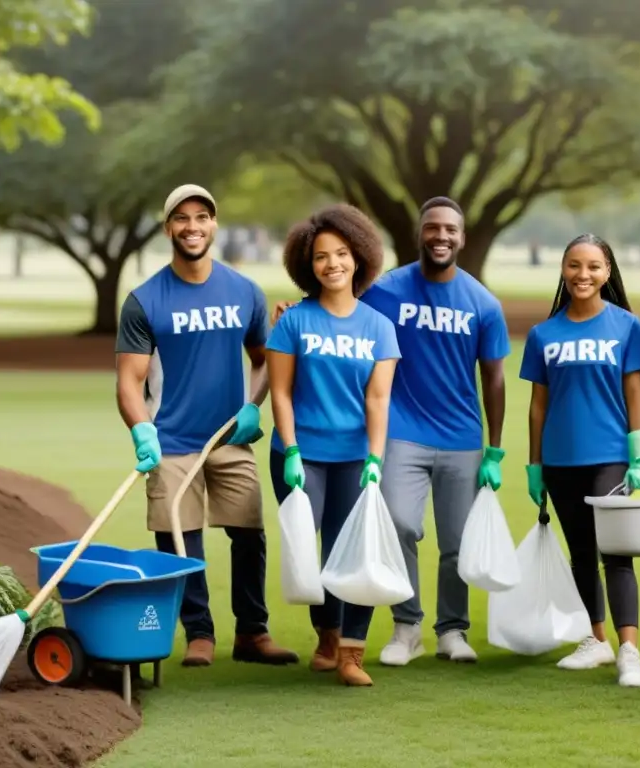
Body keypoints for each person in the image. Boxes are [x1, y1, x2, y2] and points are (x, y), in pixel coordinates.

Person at [273, 196, 511, 666]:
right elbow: (338, 299)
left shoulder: (483, 303)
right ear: (419, 233)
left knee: (456, 542)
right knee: (398, 525)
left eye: (450, 229)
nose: (441, 236)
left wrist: (496, 450)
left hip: (463, 435)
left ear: (462, 237)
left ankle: (452, 630)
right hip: (400, 432)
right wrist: (292, 312)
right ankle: (407, 626)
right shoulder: (386, 290)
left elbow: (496, 377)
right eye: (432, 228)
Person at [115, 184, 298, 668]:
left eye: (202, 217)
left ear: (213, 225)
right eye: (182, 218)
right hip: (171, 441)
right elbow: (130, 381)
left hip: (229, 439)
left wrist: (251, 405)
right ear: (167, 227)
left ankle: (252, 633)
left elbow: (263, 361)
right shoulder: (144, 300)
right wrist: (141, 429)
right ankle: (199, 633)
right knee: (180, 538)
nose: (192, 226)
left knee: (248, 534)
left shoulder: (243, 292)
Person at [266, 204, 401, 687]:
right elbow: (280, 391)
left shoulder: (379, 327)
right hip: (300, 456)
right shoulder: (293, 322)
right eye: (321, 257)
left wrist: (375, 459)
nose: (332, 265)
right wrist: (291, 448)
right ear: (308, 264)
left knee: (356, 552)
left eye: (341, 254)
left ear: (359, 257)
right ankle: (326, 636)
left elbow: (378, 399)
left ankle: (351, 653)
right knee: (314, 555)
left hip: (354, 459)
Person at [519, 234, 640, 687]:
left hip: (611, 457)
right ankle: (597, 642)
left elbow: (635, 392)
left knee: (615, 554)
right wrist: (534, 464)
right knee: (581, 554)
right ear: (563, 270)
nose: (583, 275)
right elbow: (537, 406)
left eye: (593, 267)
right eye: (575, 266)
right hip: (560, 461)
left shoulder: (628, 327)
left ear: (608, 272)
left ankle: (629, 650)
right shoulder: (544, 334)